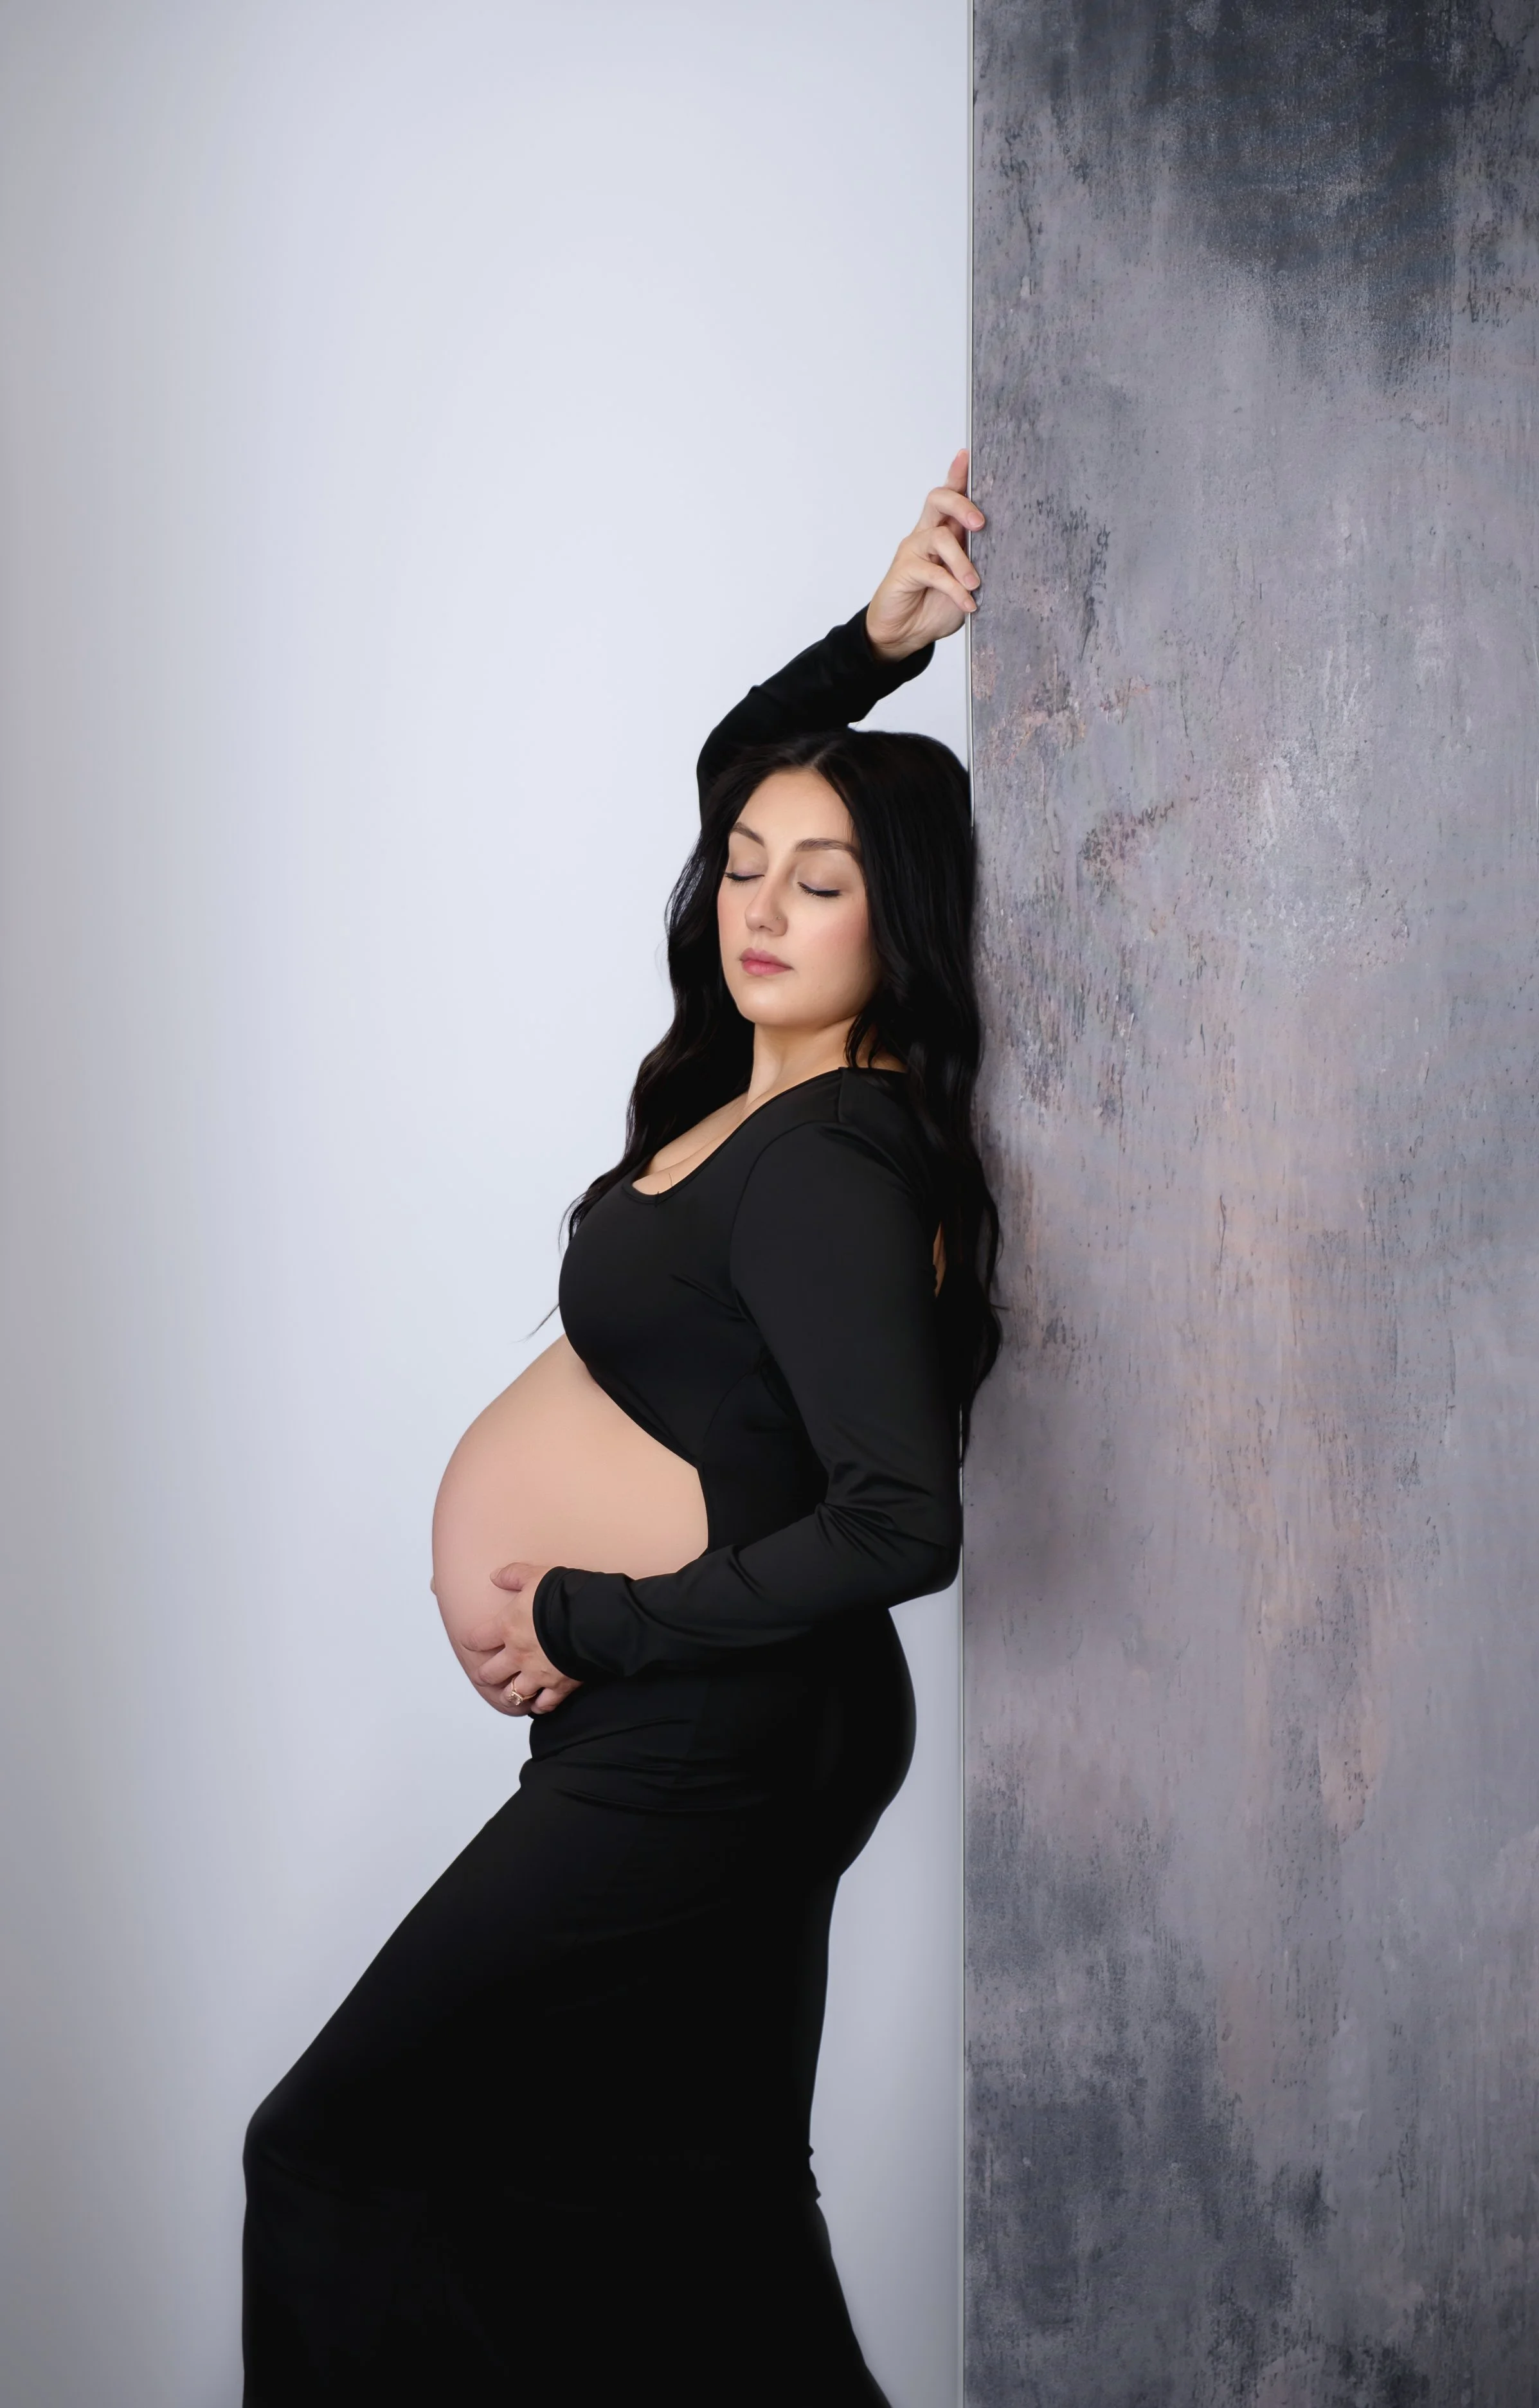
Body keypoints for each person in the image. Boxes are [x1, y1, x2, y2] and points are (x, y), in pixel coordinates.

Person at [241, 455, 1000, 2405]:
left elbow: (899, 1523)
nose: (761, 902)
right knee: (695, 2192)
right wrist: (878, 641)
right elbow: (745, 765)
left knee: (336, 2151)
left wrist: (593, 1624)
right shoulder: (747, 1091)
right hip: (717, 1721)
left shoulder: (836, 1151)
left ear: (890, 918)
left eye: (818, 882)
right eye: (745, 866)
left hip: (715, 1725)